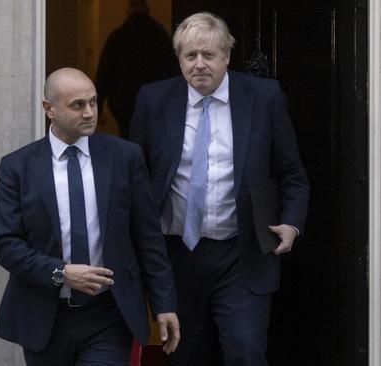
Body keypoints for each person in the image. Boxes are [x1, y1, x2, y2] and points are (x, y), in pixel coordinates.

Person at [130, 12, 310, 366]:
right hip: (175, 254)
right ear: (179, 59)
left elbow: (292, 172)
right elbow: (134, 178)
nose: (199, 65)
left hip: (240, 254)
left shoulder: (263, 97)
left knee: (245, 350)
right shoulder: (153, 100)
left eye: (208, 55)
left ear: (226, 55)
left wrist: (291, 223)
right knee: (184, 355)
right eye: (190, 56)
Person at [0, 67, 180, 366]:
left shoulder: (124, 158)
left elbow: (148, 238)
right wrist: (61, 273)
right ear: (49, 109)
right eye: (77, 105)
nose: (90, 112)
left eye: (93, 102)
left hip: (108, 314)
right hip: (44, 314)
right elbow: (6, 244)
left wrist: (164, 304)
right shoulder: (18, 167)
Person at [95, 0, 177, 138]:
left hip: (124, 101)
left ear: (128, 11)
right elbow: (173, 69)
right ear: (148, 10)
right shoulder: (161, 36)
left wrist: (98, 105)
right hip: (155, 100)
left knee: (127, 136)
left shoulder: (117, 36)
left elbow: (104, 71)